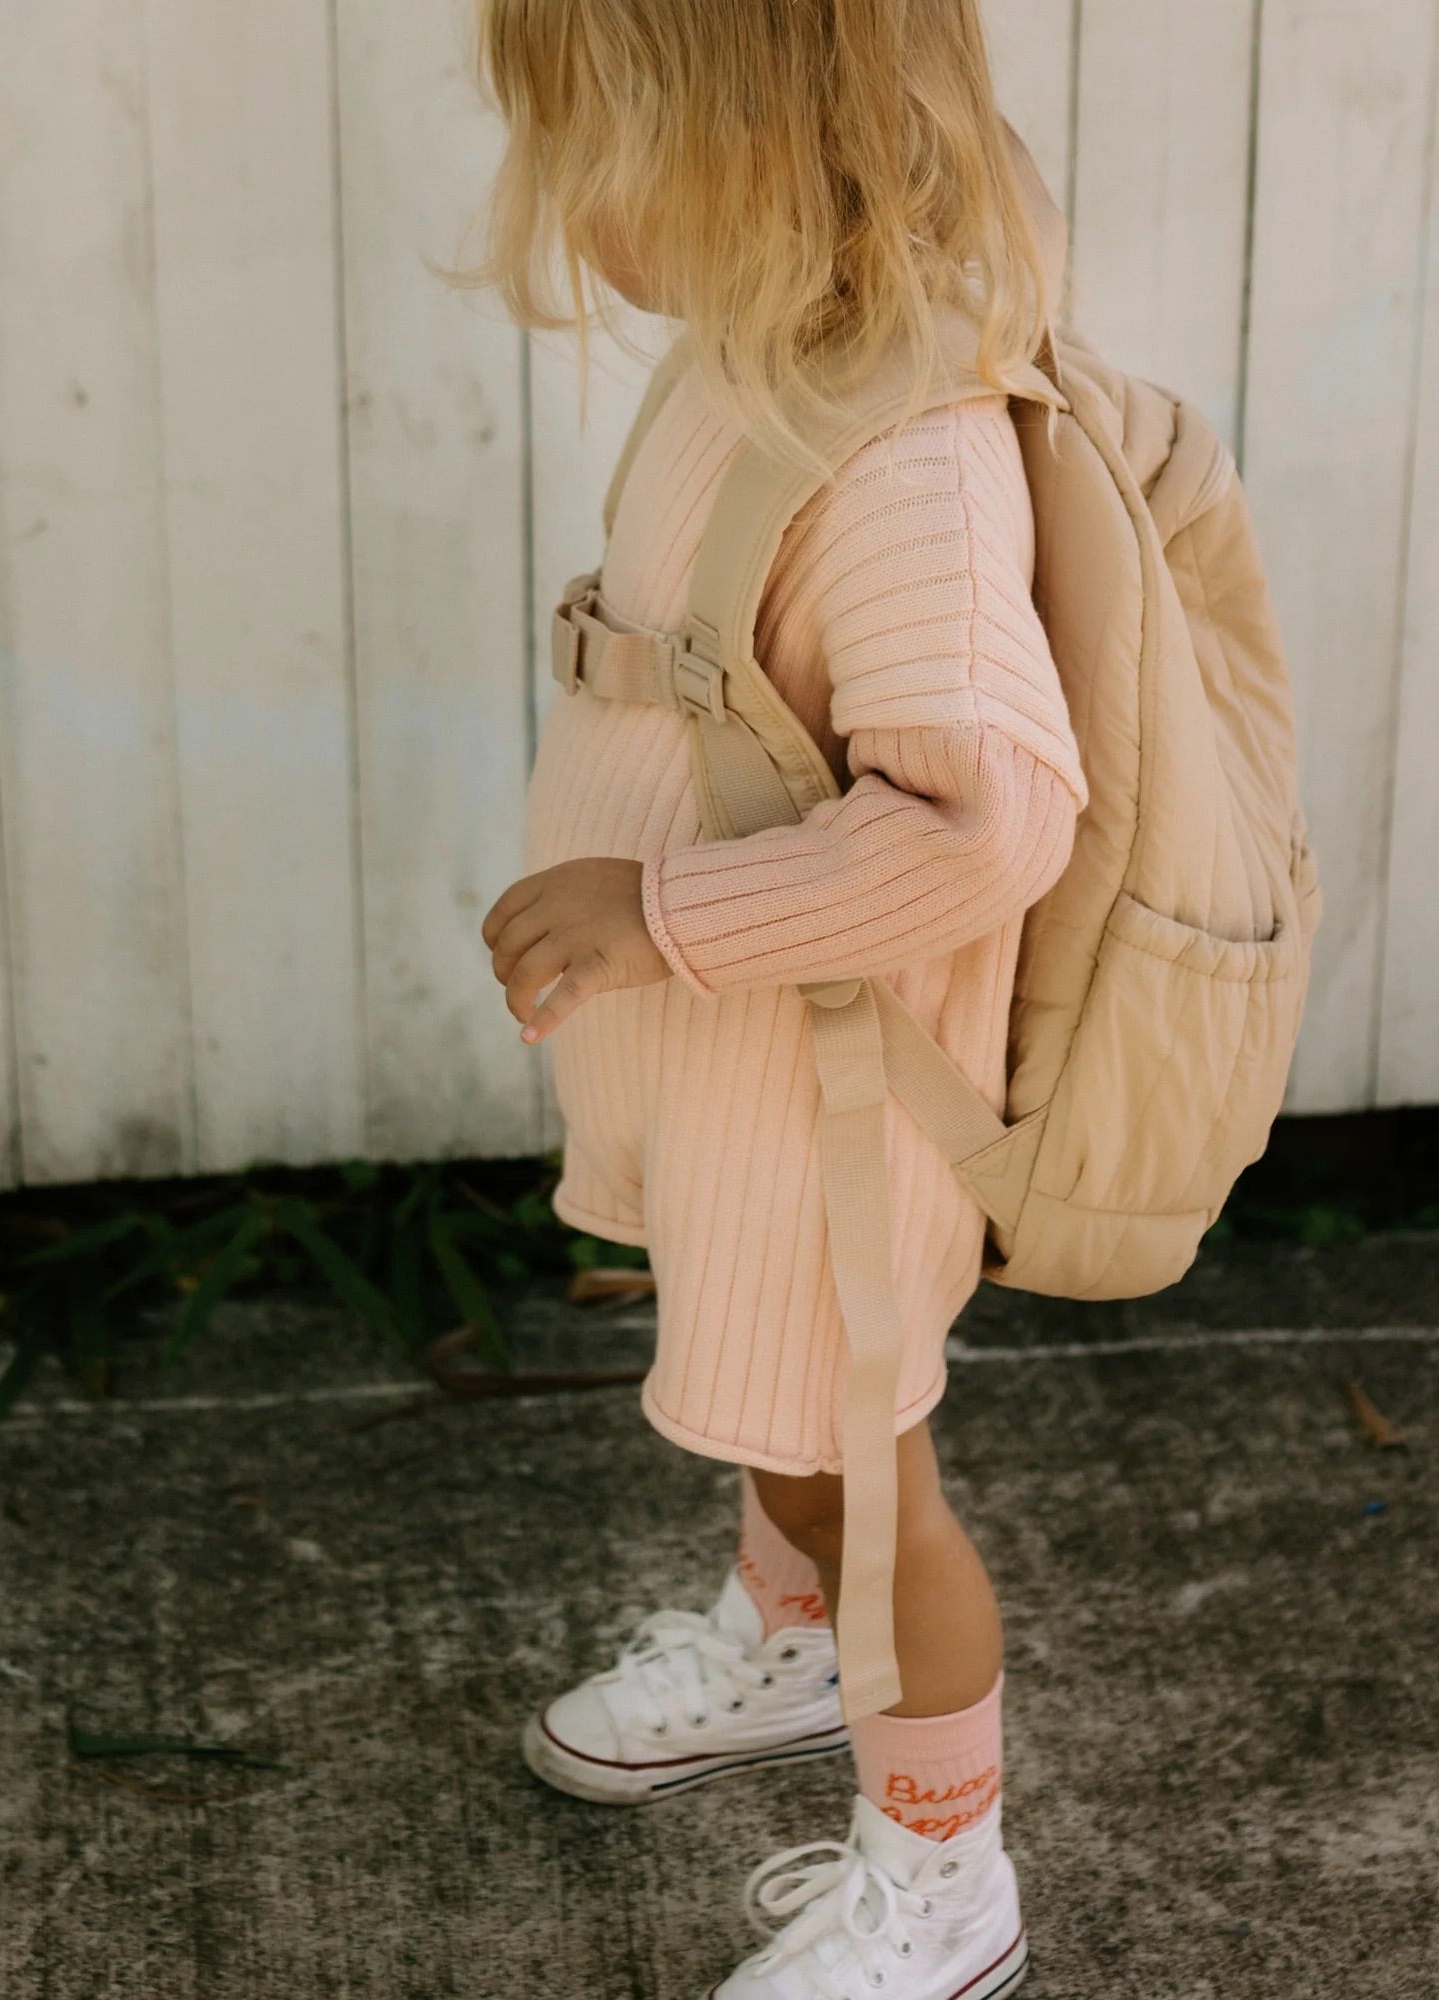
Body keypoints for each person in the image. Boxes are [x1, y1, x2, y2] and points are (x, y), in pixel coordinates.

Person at [466, 6, 1087, 1993]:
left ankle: (945, 1872)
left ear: (752, 143)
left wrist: (656, 913)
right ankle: (796, 1641)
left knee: (864, 1476)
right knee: (778, 1398)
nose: (570, 215)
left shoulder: (904, 460)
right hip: (744, 1084)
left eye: (597, 158)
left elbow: (985, 826)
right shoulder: (765, 365)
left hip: (830, 1086)